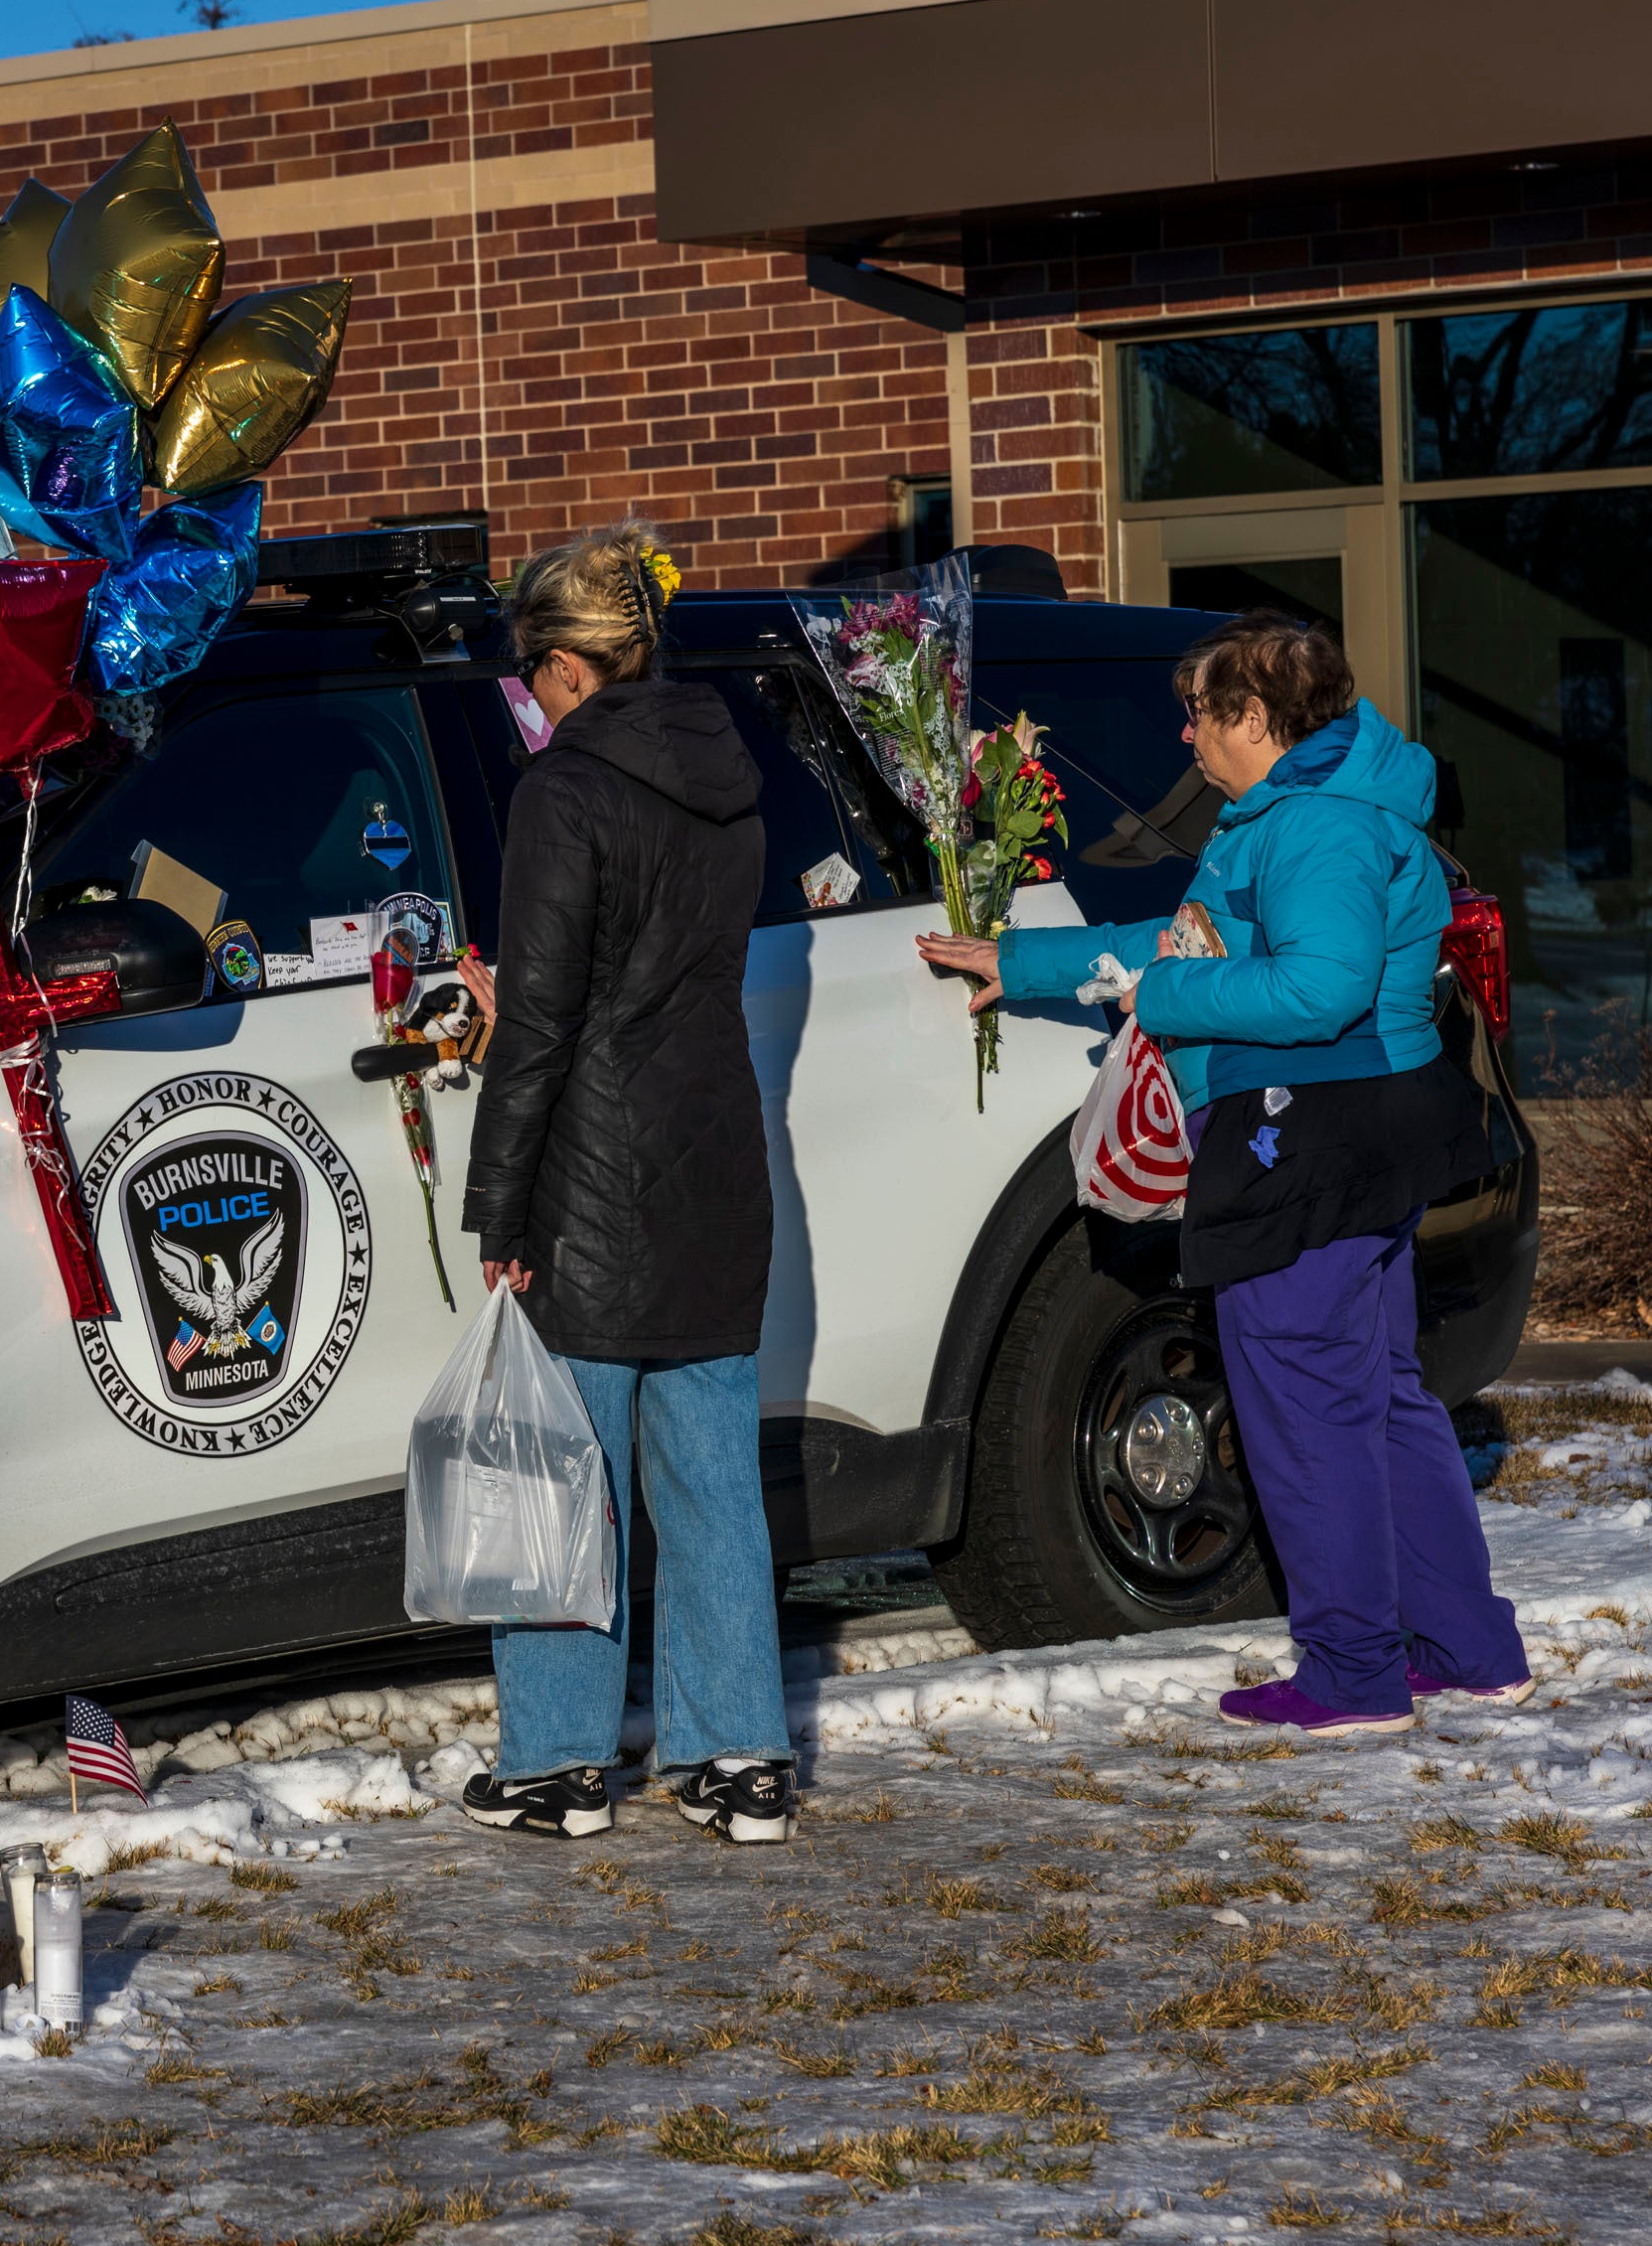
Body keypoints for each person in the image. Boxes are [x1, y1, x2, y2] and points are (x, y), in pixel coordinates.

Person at [916, 611, 1525, 1739]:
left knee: (1308, 1407)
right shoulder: (1302, 812)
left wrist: (1163, 1003)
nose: (1186, 732)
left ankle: (1350, 1673)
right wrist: (1024, 960)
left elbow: (1315, 990)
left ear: (1256, 715)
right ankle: (1467, 1649)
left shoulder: (1318, 830)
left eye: (1200, 710)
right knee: (1383, 1397)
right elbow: (1200, 937)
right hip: (1364, 1133)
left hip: (1308, 1140)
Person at [456, 523, 796, 1847]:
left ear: (563, 665)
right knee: (712, 1478)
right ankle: (739, 1758)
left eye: (528, 669)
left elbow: (539, 1021)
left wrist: (501, 1204)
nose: (527, 694)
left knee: (562, 1484)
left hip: (591, 1176)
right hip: (716, 1155)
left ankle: (556, 1764)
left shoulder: (566, 792)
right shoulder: (733, 779)